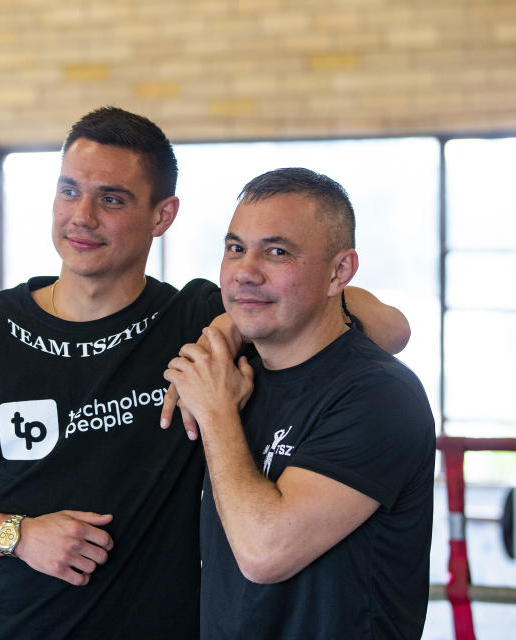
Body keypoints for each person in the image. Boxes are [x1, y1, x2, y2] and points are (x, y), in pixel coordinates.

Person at [0, 108, 410, 639]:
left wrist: (225, 331)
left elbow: (388, 328)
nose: (81, 216)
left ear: (163, 216)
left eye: (111, 199)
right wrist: (16, 534)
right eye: (69, 191)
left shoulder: (194, 320)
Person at [165, 168, 435, 639]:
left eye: (277, 251)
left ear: (338, 272)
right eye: (235, 249)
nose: (246, 272)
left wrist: (214, 411)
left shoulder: (380, 396)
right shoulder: (238, 368)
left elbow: (265, 551)